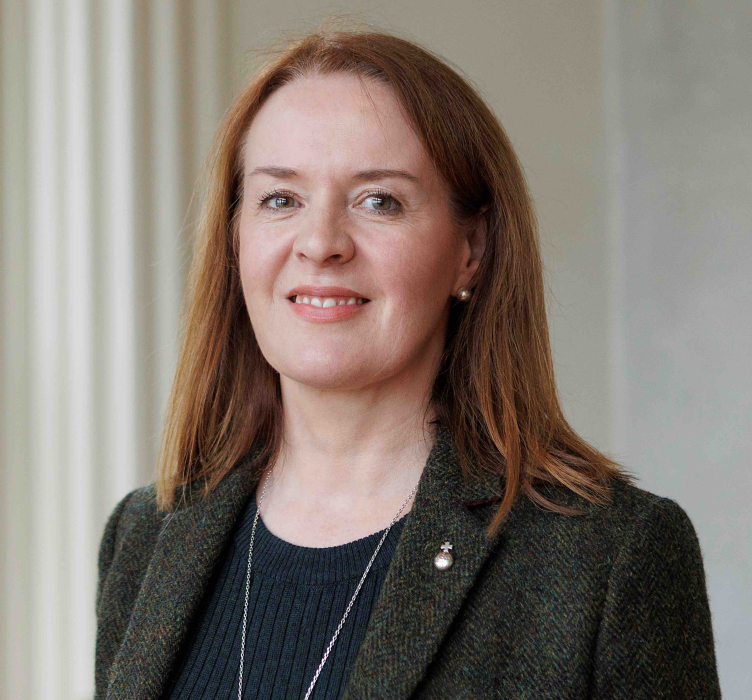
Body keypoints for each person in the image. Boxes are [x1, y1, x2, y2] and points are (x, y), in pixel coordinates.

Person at [94, 25, 721, 700]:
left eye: (379, 201)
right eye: (281, 199)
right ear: (235, 239)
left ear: (471, 252)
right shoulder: (146, 536)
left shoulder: (610, 555)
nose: (320, 243)